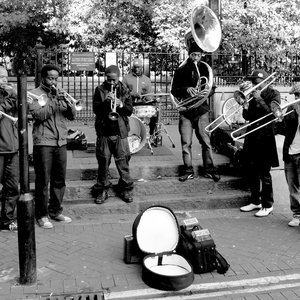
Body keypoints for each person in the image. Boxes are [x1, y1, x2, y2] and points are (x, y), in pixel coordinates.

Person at [28, 64, 76, 229]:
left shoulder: (60, 93)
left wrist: (68, 103)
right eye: (51, 78)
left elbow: (71, 116)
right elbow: (40, 115)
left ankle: (55, 211)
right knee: (43, 181)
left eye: (56, 78)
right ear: (43, 78)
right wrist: (55, 99)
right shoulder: (33, 95)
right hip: (43, 142)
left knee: (59, 179)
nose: (54, 81)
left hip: (61, 141)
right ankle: (42, 215)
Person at [171, 41, 220, 182]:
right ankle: (188, 170)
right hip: (186, 111)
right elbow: (174, 90)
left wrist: (203, 94)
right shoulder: (180, 70)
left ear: (201, 56)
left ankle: (209, 169)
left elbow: (212, 88)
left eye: (198, 55)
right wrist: (186, 89)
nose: (196, 58)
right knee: (186, 143)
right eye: (193, 55)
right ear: (189, 55)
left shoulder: (205, 69)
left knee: (206, 142)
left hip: (201, 111)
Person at [239, 69, 281, 217]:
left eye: (256, 82)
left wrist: (259, 99)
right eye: (253, 82)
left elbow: (273, 114)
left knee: (264, 172)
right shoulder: (252, 94)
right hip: (252, 135)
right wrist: (244, 105)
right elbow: (248, 116)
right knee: (252, 170)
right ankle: (255, 200)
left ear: (264, 82)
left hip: (266, 136)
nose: (253, 85)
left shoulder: (274, 94)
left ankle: (267, 204)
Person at [92, 65, 134, 204]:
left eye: (114, 80)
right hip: (104, 132)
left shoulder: (124, 89)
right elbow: (96, 110)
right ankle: (102, 189)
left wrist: (120, 104)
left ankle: (125, 188)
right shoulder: (99, 89)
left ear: (118, 78)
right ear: (106, 77)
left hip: (120, 132)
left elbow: (129, 111)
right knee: (103, 162)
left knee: (123, 162)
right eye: (109, 80)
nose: (111, 83)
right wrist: (106, 102)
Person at [276, 83, 300, 226]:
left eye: (299, 96)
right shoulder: (291, 108)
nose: (296, 98)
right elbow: (283, 130)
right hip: (290, 153)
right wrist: (279, 120)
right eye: (295, 95)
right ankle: (297, 214)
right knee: (293, 188)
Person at [0, 66, 18, 231]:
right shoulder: (7, 97)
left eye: (6, 77)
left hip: (12, 148)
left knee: (12, 186)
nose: (4, 80)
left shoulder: (10, 95)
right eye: (1, 77)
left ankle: (8, 220)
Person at [122, 58, 158, 137]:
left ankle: (153, 132)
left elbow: (149, 94)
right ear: (132, 67)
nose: (136, 69)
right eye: (135, 67)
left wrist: (148, 98)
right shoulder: (126, 78)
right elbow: (122, 92)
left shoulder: (147, 80)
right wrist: (133, 94)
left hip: (142, 103)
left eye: (138, 67)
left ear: (142, 67)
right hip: (130, 103)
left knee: (154, 112)